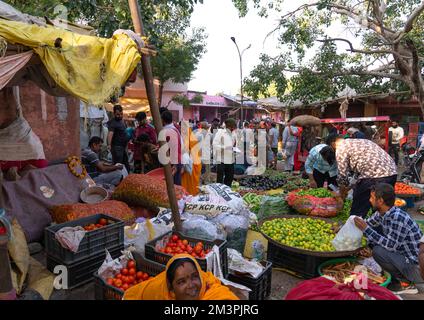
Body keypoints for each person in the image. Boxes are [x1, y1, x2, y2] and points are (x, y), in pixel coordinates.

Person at [353, 183, 424, 293]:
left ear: (380, 201)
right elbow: (367, 223)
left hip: (416, 266)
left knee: (378, 251)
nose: (370, 200)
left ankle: (406, 283)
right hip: (404, 256)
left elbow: (391, 246)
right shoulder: (383, 212)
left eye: (372, 197)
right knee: (375, 245)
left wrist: (366, 229)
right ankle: (403, 279)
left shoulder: (397, 217)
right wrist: (345, 228)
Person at [329, 135, 397, 218]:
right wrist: (348, 188)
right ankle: (378, 228)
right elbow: (357, 173)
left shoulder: (341, 148)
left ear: (333, 144)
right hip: (392, 172)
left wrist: (341, 194)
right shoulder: (362, 141)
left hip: (373, 175)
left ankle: (354, 228)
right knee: (383, 207)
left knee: (358, 208)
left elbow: (342, 175)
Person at [123, 254, 238, 300]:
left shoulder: (212, 292)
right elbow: (131, 296)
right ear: (171, 287)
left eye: (194, 277)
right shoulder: (159, 290)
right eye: (181, 282)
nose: (191, 286)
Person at [213, 118, 237, 187]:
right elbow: (214, 145)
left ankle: (227, 191)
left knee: (229, 178)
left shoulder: (233, 134)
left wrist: (235, 149)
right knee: (220, 179)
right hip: (221, 160)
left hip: (231, 160)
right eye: (232, 127)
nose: (233, 129)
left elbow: (234, 145)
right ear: (228, 126)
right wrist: (225, 148)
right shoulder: (220, 133)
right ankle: (219, 194)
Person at [161, 110, 183, 185]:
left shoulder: (168, 130)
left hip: (174, 163)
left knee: (174, 187)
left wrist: (175, 165)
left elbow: (175, 148)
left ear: (162, 120)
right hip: (176, 161)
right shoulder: (174, 129)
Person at [181, 122, 202, 196]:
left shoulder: (186, 137)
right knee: (191, 181)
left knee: (189, 181)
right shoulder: (191, 137)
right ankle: (191, 195)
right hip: (193, 164)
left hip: (190, 163)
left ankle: (188, 195)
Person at [107, 105, 130, 171]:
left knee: (125, 164)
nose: (120, 116)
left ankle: (127, 178)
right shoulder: (113, 123)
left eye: (121, 114)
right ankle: (118, 179)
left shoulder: (121, 121)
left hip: (123, 147)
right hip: (117, 147)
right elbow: (110, 134)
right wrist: (109, 145)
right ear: (114, 114)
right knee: (118, 165)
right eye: (117, 114)